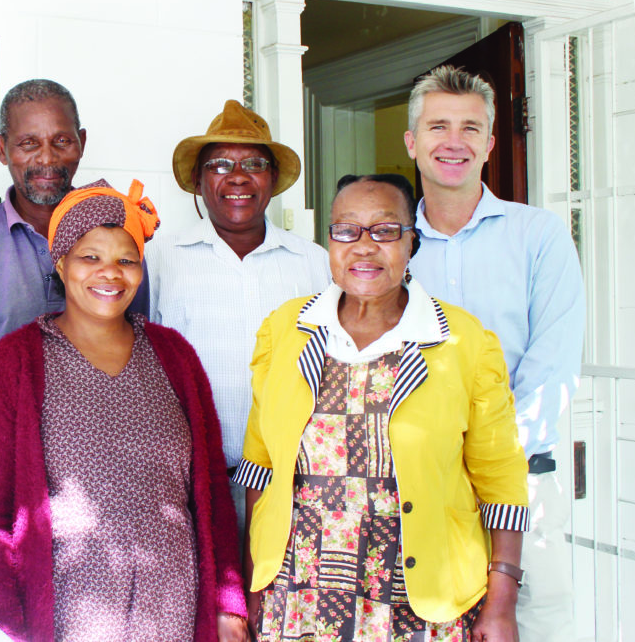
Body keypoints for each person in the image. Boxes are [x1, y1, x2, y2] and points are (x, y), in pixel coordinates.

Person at [236, 174, 530, 641]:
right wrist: (252, 581)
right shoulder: (286, 329)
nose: (364, 246)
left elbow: (502, 481)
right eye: (346, 230)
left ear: (411, 243)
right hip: (299, 593)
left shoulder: (463, 341)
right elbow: (261, 468)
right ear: (329, 242)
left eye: (386, 230)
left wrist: (502, 601)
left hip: (417, 601)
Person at [0, 180, 248, 642]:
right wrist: (7, 626)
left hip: (171, 608)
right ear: (61, 262)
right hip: (67, 617)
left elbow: (212, 492)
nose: (109, 274)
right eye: (90, 257)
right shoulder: (12, 365)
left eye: (126, 260)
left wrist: (227, 605)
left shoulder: (174, 356)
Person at [0, 79, 148, 599]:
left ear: (81, 142)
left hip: (102, 496)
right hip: (3, 493)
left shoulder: (123, 240)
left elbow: (138, 352)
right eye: (29, 143)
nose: (47, 158)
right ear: (2, 147)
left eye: (61, 140)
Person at [404, 66, 584, 642]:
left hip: (524, 478)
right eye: (437, 126)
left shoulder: (538, 235)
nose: (452, 141)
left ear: (489, 142)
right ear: (412, 142)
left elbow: (551, 364)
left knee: (532, 623)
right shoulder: (386, 247)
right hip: (420, 482)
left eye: (469, 128)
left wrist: (495, 463)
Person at [149, 99, 330, 538]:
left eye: (254, 163)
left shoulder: (314, 262)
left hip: (294, 481)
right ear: (198, 179)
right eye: (220, 165)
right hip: (191, 484)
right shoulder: (158, 259)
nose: (237, 176)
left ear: (271, 179)